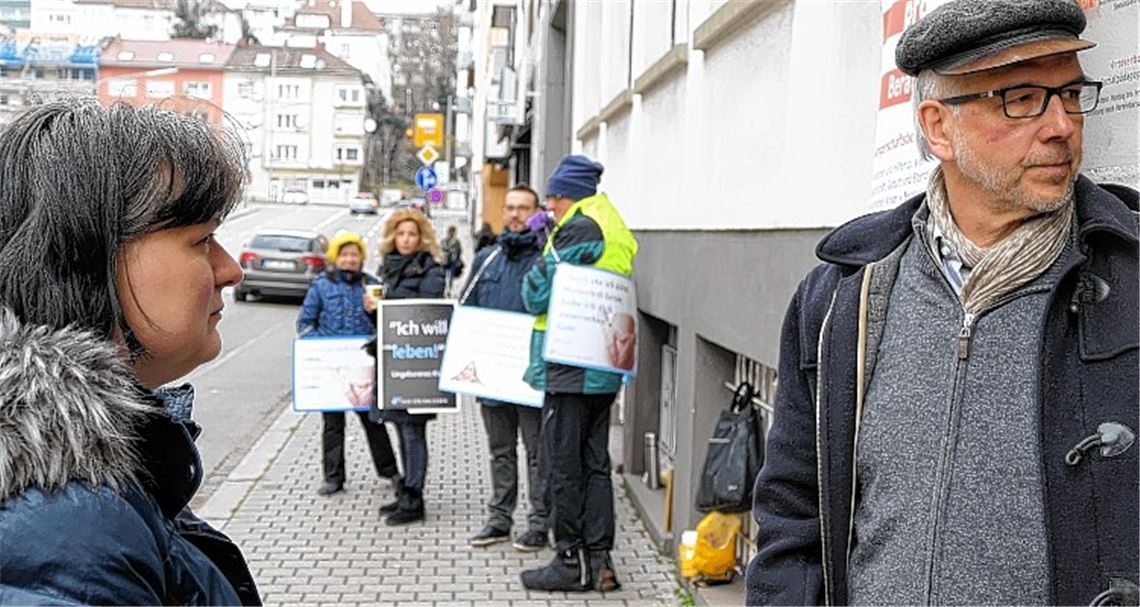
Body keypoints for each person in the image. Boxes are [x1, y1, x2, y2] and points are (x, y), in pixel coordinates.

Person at [746, 1, 1138, 605]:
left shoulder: (1128, 277)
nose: (1061, 125)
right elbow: (794, 514)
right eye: (1023, 98)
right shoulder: (844, 294)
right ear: (937, 127)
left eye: (1070, 94)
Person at [0, 99, 259, 603]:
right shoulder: (67, 527)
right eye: (202, 240)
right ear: (88, 257)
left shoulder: (83, 480)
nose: (230, 270)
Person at [519, 155, 639, 592]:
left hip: (571, 362)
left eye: (552, 198)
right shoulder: (611, 221)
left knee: (563, 466)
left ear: (567, 195)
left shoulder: (578, 225)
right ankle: (601, 564)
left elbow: (536, 293)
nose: (549, 207)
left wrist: (543, 248)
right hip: (603, 360)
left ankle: (568, 562)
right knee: (595, 465)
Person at [460, 184, 550, 551]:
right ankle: (499, 519)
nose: (514, 214)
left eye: (523, 208)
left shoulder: (547, 257)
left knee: (536, 452)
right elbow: (468, 305)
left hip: (529, 375)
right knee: (500, 450)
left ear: (536, 212)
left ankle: (540, 522)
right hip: (493, 374)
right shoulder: (487, 258)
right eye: (509, 207)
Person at [297, 231, 399, 496]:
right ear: (335, 257)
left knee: (373, 422)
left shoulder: (372, 284)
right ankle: (333, 477)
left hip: (364, 368)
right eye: (344, 254)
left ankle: (390, 471)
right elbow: (305, 324)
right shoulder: (321, 285)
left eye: (354, 255)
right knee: (333, 425)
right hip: (332, 370)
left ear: (361, 258)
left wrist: (374, 311)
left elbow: (386, 324)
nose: (350, 260)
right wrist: (323, 351)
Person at [363, 208, 446, 526]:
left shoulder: (430, 269)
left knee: (413, 431)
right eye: (401, 233)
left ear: (421, 237)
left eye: (412, 234)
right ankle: (405, 492)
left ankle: (415, 497)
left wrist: (387, 305)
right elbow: (384, 322)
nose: (406, 239)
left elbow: (427, 310)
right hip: (391, 360)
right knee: (398, 427)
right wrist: (372, 310)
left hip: (416, 362)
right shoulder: (388, 268)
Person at [441, 224, 465, 291]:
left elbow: (441, 249)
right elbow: (460, 250)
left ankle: (445, 288)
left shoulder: (443, 241)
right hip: (452, 260)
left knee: (444, 275)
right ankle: (449, 289)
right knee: (450, 276)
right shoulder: (456, 241)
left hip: (445, 260)